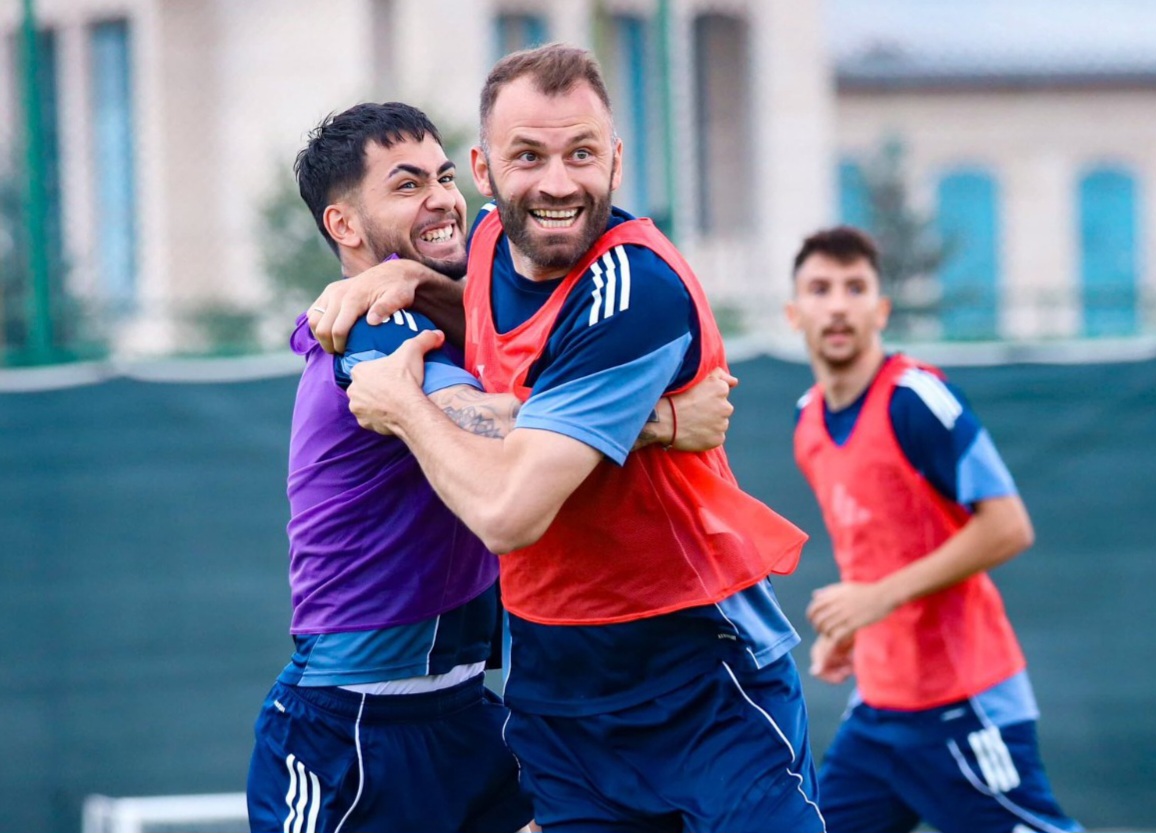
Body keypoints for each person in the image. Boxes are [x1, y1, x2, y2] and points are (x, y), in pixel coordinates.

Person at [310, 44, 825, 833]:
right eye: (528, 156)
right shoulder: (487, 244)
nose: (557, 183)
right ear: (484, 171)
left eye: (580, 153)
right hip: (556, 691)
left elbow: (510, 509)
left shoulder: (633, 290)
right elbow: (495, 334)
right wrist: (412, 279)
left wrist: (405, 406)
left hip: (698, 679)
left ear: (615, 161)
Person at [247, 101, 734, 833]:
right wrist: (660, 421)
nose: (443, 199)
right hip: (351, 731)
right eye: (407, 185)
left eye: (445, 177)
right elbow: (510, 443)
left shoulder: (460, 315)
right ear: (344, 225)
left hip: (466, 715)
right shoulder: (377, 330)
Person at [787, 225, 1083, 833]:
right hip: (878, 711)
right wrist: (854, 625)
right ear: (795, 314)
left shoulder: (916, 399)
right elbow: (878, 548)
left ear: (881, 310)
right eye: (820, 289)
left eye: (855, 288)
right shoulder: (807, 421)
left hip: (964, 705)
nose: (838, 305)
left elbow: (1009, 527)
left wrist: (878, 598)